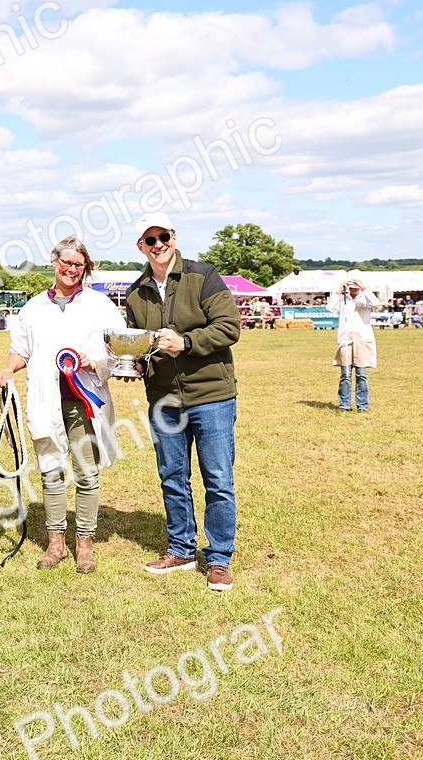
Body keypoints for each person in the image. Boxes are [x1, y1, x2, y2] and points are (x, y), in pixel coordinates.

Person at [123, 212, 241, 592]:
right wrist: (134, 363)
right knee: (173, 477)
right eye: (150, 240)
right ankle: (181, 548)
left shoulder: (202, 275)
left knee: (218, 479)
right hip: (163, 399)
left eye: (164, 237)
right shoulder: (135, 292)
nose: (158, 245)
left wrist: (186, 342)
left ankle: (219, 556)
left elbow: (228, 327)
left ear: (174, 237)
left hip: (211, 396)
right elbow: (139, 342)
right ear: (140, 246)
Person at [0, 237, 124, 573]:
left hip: (86, 403)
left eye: (78, 265)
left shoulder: (101, 305)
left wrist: (92, 360)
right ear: (54, 263)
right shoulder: (33, 308)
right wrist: (8, 368)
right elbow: (20, 349)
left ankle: (85, 544)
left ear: (86, 268)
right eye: (66, 263)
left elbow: (118, 350)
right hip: (44, 400)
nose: (71, 269)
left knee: (86, 474)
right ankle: (56, 544)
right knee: (51, 472)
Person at [326, 278, 378, 412]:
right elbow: (330, 307)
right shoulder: (344, 298)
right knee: (345, 373)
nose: (353, 289)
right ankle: (344, 404)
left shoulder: (364, 297)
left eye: (355, 287)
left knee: (361, 373)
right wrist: (338, 292)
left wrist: (363, 287)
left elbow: (376, 303)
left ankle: (363, 405)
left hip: (362, 337)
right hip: (345, 337)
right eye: (351, 287)